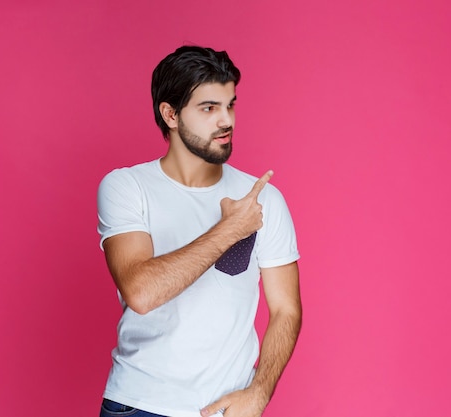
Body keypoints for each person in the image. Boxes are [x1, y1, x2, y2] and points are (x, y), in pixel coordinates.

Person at [96, 45, 302, 417]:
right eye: (209, 108)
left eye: (231, 105)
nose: (227, 120)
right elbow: (141, 292)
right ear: (171, 114)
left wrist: (259, 392)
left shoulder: (263, 199)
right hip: (139, 406)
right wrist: (229, 231)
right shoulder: (127, 187)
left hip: (223, 410)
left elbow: (286, 309)